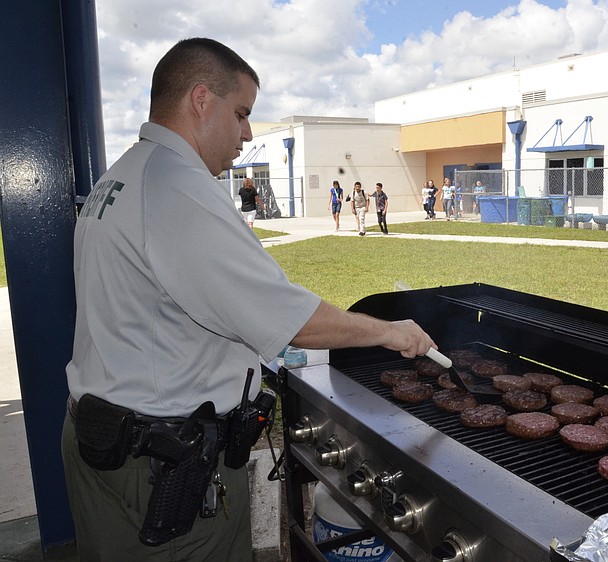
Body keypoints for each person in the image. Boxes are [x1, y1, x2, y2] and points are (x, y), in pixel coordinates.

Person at [62, 37, 435, 561]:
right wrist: (391, 331)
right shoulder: (178, 189)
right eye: (240, 114)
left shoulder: (123, 175)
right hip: (161, 473)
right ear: (200, 100)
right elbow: (290, 319)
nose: (247, 133)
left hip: (105, 444)